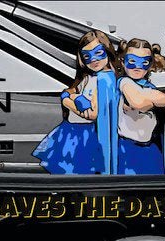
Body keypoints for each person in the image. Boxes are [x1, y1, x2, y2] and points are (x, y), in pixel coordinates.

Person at [33, 30, 119, 174]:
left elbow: (92, 113)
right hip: (72, 132)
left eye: (98, 53)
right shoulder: (89, 78)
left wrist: (67, 100)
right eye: (87, 56)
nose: (93, 59)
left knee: (77, 172)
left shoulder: (104, 80)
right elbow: (74, 91)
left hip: (84, 136)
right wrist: (74, 97)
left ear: (107, 50)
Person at [116, 39, 165, 175]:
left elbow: (164, 99)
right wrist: (150, 100)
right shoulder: (124, 82)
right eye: (132, 61)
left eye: (144, 62)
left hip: (149, 146)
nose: (137, 67)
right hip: (127, 147)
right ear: (123, 61)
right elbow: (139, 103)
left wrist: (146, 98)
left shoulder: (148, 85)